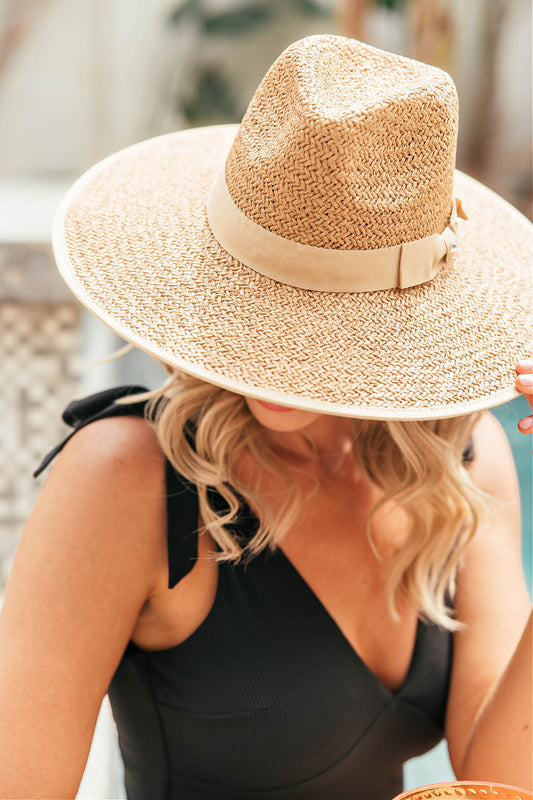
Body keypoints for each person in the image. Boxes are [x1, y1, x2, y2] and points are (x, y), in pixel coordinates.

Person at [0, 34, 532, 800]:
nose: (273, 351)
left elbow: (502, 778)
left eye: (326, 314)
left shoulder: (464, 459)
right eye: (264, 300)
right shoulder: (128, 478)